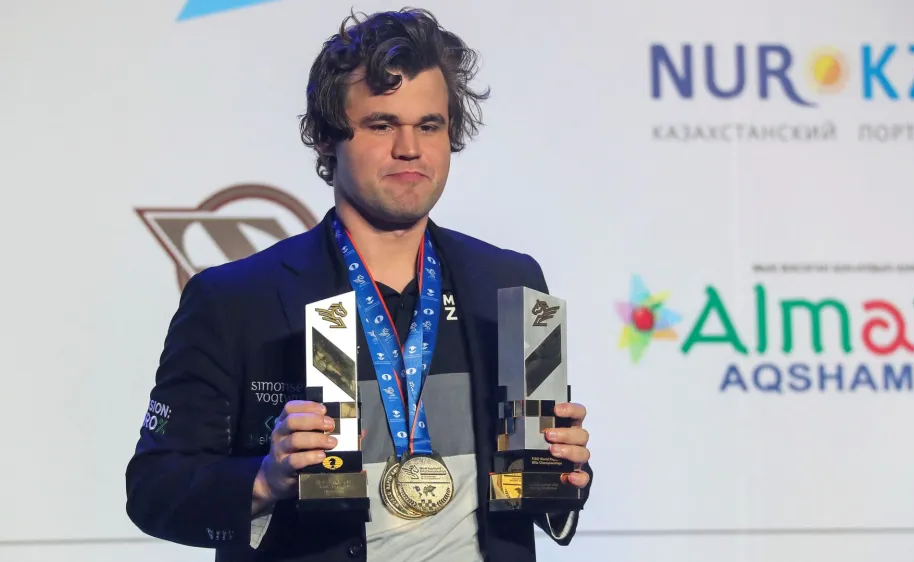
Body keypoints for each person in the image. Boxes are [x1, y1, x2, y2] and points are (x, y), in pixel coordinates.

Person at [125, 7, 593, 562]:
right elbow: (154, 489)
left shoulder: (508, 282)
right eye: (381, 124)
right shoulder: (235, 300)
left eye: (429, 125)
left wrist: (564, 474)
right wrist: (264, 480)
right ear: (327, 139)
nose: (410, 149)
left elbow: (539, 492)